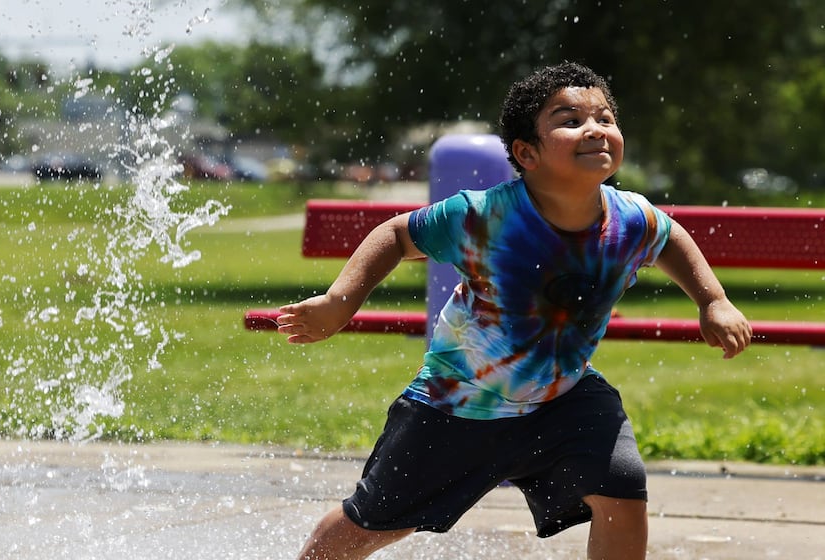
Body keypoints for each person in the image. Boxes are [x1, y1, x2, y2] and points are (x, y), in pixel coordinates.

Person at [275, 62, 752, 560]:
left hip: (564, 396)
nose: (595, 129)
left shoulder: (630, 216)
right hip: (458, 403)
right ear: (527, 153)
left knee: (622, 494)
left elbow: (669, 236)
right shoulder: (484, 216)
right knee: (370, 523)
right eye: (570, 120)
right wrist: (339, 302)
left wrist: (712, 300)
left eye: (606, 118)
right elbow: (398, 235)